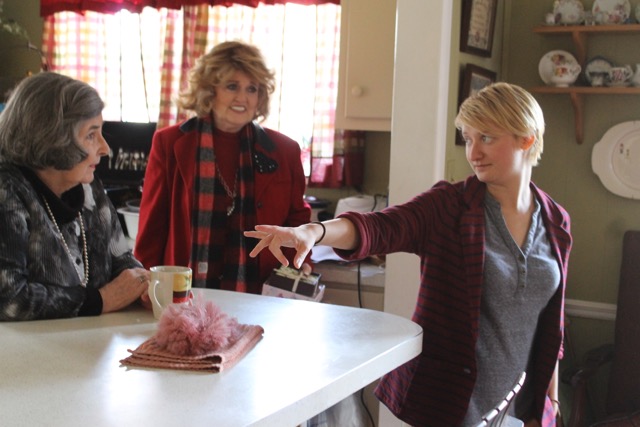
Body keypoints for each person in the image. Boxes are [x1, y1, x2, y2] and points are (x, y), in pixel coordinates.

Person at [244, 82, 571, 426]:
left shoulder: (555, 222)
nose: (473, 152)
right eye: (468, 138)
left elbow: (551, 322)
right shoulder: (449, 207)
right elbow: (380, 227)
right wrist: (316, 231)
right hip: (452, 408)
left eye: (486, 138)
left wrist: (550, 401)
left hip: (520, 410)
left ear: (526, 139)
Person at [135, 40, 311, 293]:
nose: (243, 98)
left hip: (262, 291)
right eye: (232, 86)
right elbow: (152, 227)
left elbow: (297, 219)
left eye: (252, 89)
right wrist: (145, 284)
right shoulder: (170, 143)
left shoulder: (285, 150)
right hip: (184, 291)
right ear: (209, 91)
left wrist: (303, 260)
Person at [0, 72, 150, 321]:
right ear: (52, 138)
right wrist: (100, 300)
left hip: (88, 347)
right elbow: (8, 298)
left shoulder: (89, 187)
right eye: (91, 135)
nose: (105, 148)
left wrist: (143, 286)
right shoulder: (7, 190)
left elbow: (120, 259)